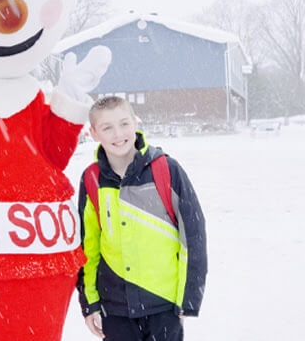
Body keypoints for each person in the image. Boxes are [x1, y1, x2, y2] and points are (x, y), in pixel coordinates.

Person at [77, 96, 207, 341]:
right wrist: (90, 302)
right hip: (115, 308)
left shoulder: (167, 169)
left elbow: (193, 236)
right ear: (93, 133)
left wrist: (187, 298)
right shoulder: (92, 179)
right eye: (107, 127)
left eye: (124, 124)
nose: (118, 134)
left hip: (164, 306)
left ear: (136, 123)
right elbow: (87, 246)